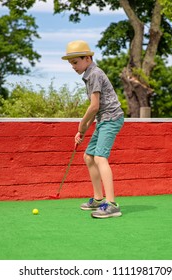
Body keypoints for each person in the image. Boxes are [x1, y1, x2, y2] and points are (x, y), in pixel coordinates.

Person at [62, 40, 124, 218]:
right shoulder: (89, 75)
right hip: (103, 119)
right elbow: (95, 110)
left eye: (75, 62)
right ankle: (98, 198)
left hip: (111, 119)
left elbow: (94, 106)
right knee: (88, 156)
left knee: (99, 157)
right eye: (70, 63)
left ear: (87, 58)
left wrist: (81, 125)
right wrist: (82, 131)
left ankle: (111, 204)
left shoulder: (95, 74)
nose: (73, 66)